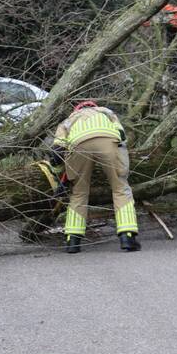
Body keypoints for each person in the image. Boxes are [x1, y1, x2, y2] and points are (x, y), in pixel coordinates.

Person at [50, 100, 140, 253]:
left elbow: (57, 150)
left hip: (77, 144)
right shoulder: (106, 112)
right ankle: (128, 236)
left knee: (78, 192)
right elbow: (121, 135)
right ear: (94, 106)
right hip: (108, 139)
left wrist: (62, 174)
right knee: (120, 187)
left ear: (77, 109)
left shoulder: (68, 120)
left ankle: (72, 240)